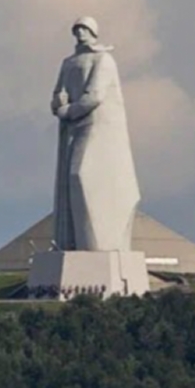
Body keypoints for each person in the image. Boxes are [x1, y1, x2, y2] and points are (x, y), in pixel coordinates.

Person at [50, 16, 141, 252]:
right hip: (72, 127)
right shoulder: (68, 62)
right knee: (69, 182)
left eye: (84, 28)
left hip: (96, 125)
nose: (80, 32)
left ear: (93, 32)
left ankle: (98, 246)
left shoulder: (104, 60)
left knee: (80, 175)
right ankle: (76, 244)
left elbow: (95, 95)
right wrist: (57, 103)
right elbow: (57, 92)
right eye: (77, 29)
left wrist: (67, 110)